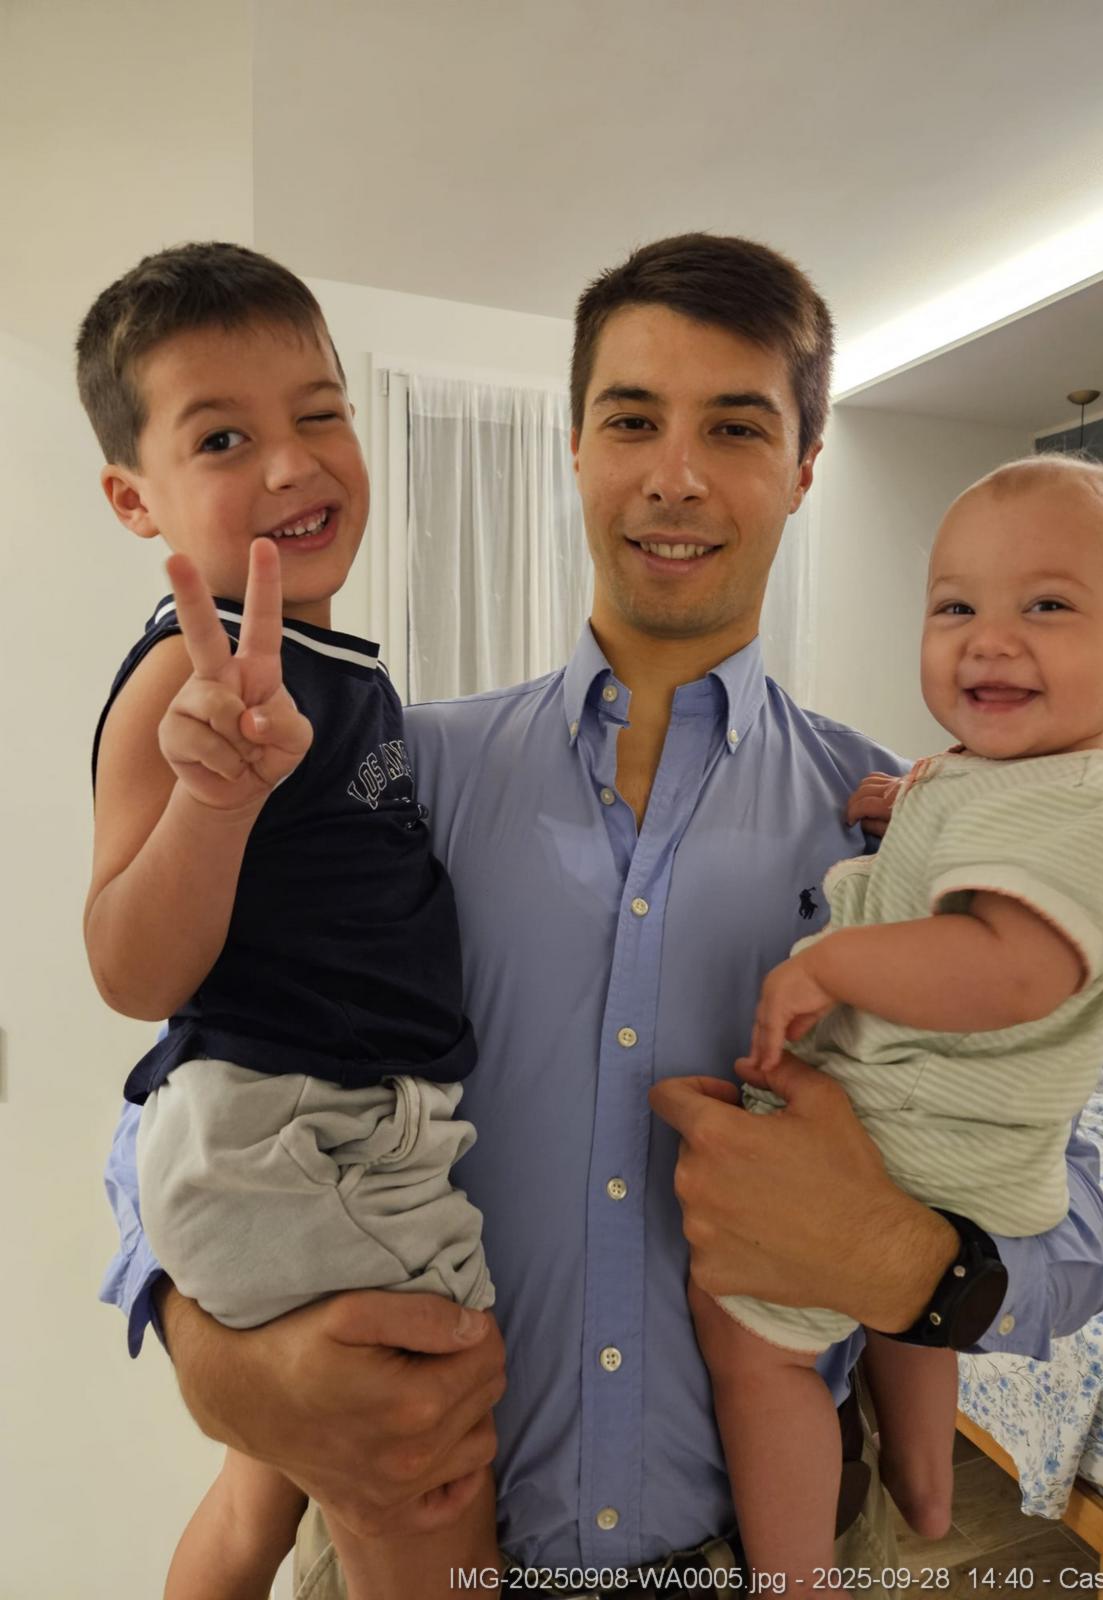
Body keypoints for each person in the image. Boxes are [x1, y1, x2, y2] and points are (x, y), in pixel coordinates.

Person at [99, 234, 1103, 1600]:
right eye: (632, 420)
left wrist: (900, 1258)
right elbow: (191, 1086)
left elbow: (1069, 1199)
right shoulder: (400, 773)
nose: (674, 476)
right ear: (574, 446)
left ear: (804, 467)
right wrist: (221, 1357)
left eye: (736, 428)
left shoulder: (910, 832)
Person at [80, 242, 501, 1600]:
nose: (290, 463)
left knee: (258, 1494)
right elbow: (129, 965)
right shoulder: (186, 681)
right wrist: (213, 804)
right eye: (222, 438)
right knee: (425, 1463)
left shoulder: (331, 669)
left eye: (320, 413)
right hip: (298, 1126)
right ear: (134, 497)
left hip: (312, 1117)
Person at [690, 453, 1103, 1589]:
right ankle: (921, 1476)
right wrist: (909, 810)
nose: (990, 641)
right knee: (902, 1309)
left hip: (928, 1129)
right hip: (954, 1152)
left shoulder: (1078, 805)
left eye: (1046, 606)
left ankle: (792, 1573)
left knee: (750, 1338)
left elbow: (1009, 966)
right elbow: (966, 858)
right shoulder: (1016, 777)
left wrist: (833, 963)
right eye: (956, 607)